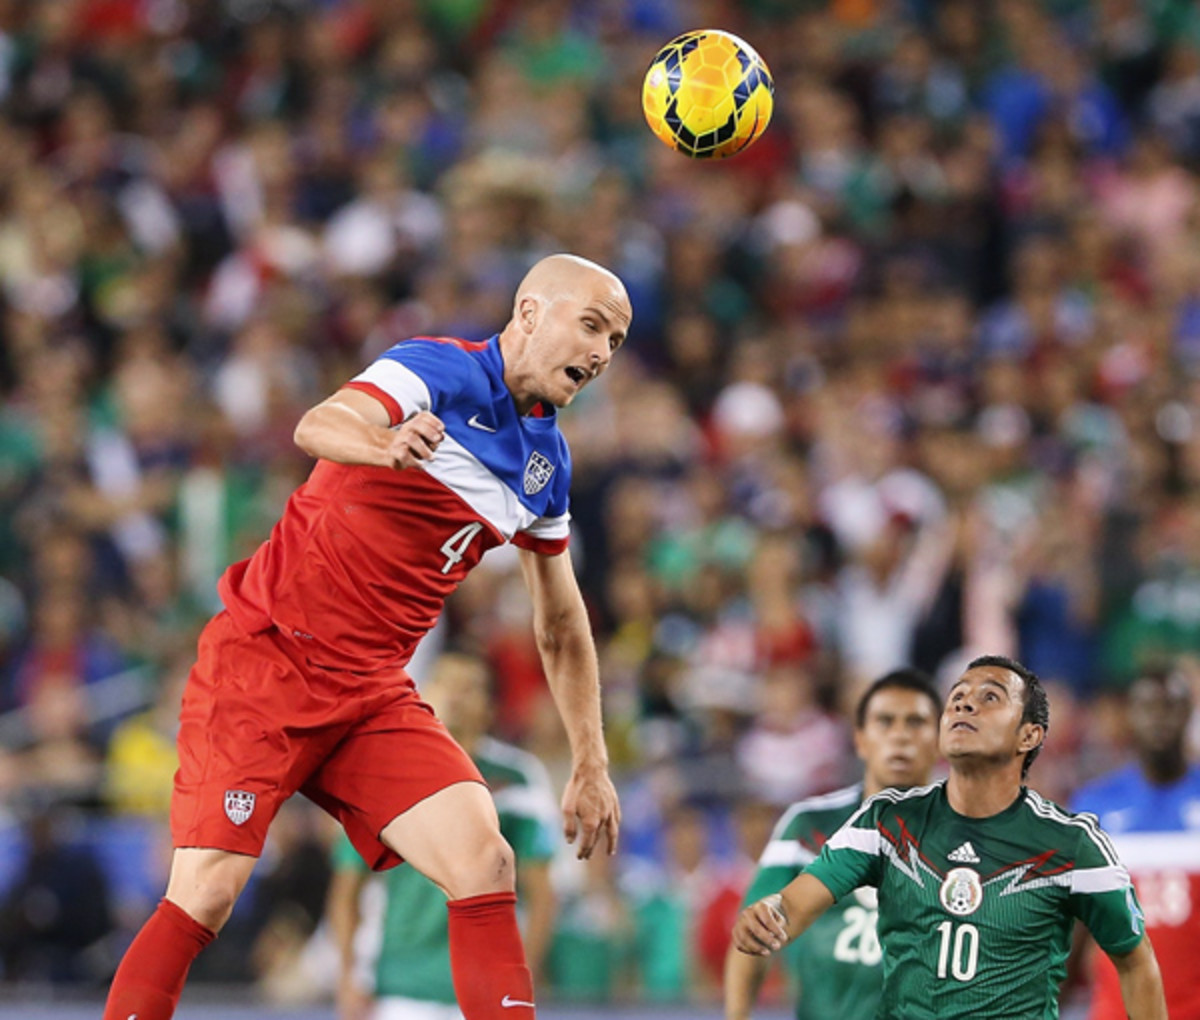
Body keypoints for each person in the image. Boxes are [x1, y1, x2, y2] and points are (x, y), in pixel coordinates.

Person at [101, 253, 629, 1020]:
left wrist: (591, 760)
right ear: (528, 314)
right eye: (589, 326)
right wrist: (383, 445)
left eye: (614, 340)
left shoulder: (545, 467)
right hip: (267, 659)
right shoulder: (437, 370)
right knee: (207, 894)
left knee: (485, 858)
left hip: (370, 692)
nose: (600, 353)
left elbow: (560, 620)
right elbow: (320, 424)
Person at [731, 655, 1168, 1020]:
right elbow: (794, 903)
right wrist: (769, 916)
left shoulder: (1074, 844)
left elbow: (1135, 961)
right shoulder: (886, 822)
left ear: (1029, 734)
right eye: (956, 697)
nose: (964, 705)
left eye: (989, 697)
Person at [327, 651, 559, 1020]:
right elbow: (347, 888)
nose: (456, 696)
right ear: (424, 693)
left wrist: (521, 980)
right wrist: (348, 975)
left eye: (470, 688)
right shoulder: (385, 771)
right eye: (447, 683)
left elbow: (542, 893)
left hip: (484, 985)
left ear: (489, 706)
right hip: (399, 985)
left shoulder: (517, 780)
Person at [725, 668, 942, 1020]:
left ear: (941, 740)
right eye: (885, 722)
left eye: (916, 723)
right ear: (860, 739)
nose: (900, 736)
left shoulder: (970, 837)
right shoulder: (808, 824)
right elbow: (752, 936)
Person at [1071, 665, 1200, 1020]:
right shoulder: (1094, 806)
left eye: (1171, 706)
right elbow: (1072, 928)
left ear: (1189, 712)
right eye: (1148, 707)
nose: (1159, 718)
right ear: (1130, 715)